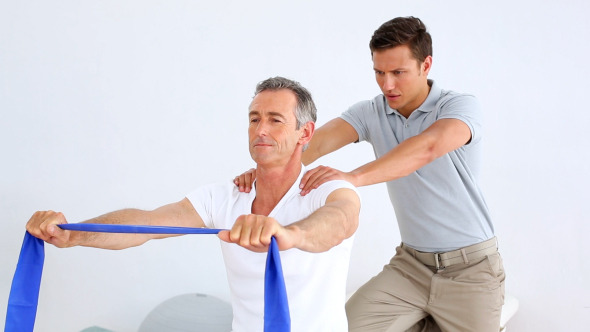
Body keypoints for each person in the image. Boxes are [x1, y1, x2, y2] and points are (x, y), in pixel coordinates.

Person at [26, 76, 361, 332]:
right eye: (254, 118)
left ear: (305, 133)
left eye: (275, 120)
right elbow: (146, 224)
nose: (261, 130)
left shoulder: (325, 188)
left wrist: (290, 235)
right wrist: (74, 234)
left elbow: (340, 220)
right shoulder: (225, 197)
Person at [234, 17, 505, 332]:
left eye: (398, 73)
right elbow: (313, 143)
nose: (387, 84)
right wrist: (264, 170)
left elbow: (427, 147)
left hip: (471, 269)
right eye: (379, 73)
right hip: (411, 267)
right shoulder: (372, 111)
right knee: (343, 326)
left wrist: (353, 177)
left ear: (425, 65)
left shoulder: (459, 106)